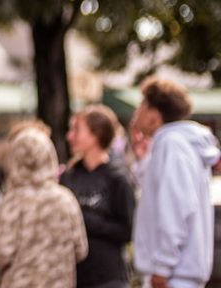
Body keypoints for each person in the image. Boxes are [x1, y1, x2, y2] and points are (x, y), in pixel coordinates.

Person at [131, 77, 220, 288]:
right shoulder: (176, 144)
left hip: (174, 275)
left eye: (142, 105)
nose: (138, 112)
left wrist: (162, 267)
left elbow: (177, 207)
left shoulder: (172, 145)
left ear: (155, 114)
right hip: (179, 273)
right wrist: (144, 161)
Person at [0, 124, 88, 287]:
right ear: (50, 156)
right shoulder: (65, 199)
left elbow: (1, 254)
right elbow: (81, 250)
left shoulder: (12, 203)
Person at [60, 105, 135, 288]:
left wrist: (87, 221)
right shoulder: (69, 176)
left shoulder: (117, 178)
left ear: (96, 135)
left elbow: (127, 231)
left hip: (108, 279)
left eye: (77, 130)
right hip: (73, 278)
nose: (70, 136)